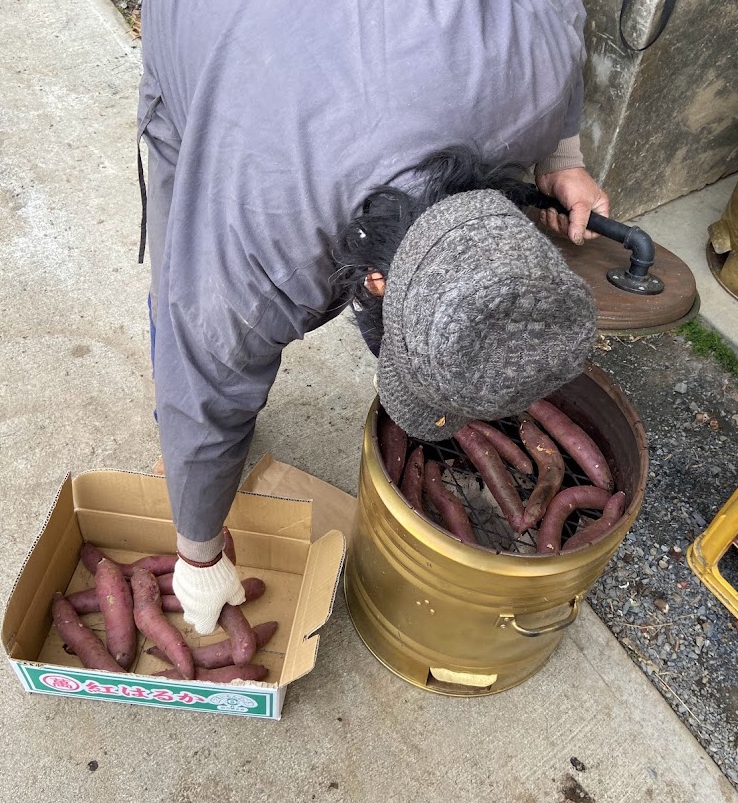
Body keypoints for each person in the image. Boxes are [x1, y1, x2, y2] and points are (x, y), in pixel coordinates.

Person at [137, 1, 610, 635]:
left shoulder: (536, 67)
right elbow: (206, 376)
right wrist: (197, 552)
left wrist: (562, 159)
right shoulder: (257, 242)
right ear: (375, 283)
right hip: (214, 23)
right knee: (184, 284)